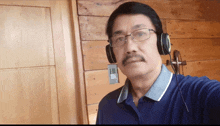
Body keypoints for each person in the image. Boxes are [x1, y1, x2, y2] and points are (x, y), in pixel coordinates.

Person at [96, 1, 220, 124]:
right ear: (111, 52)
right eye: (119, 39)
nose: (129, 48)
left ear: (162, 43)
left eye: (140, 34)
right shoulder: (106, 106)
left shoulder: (199, 95)